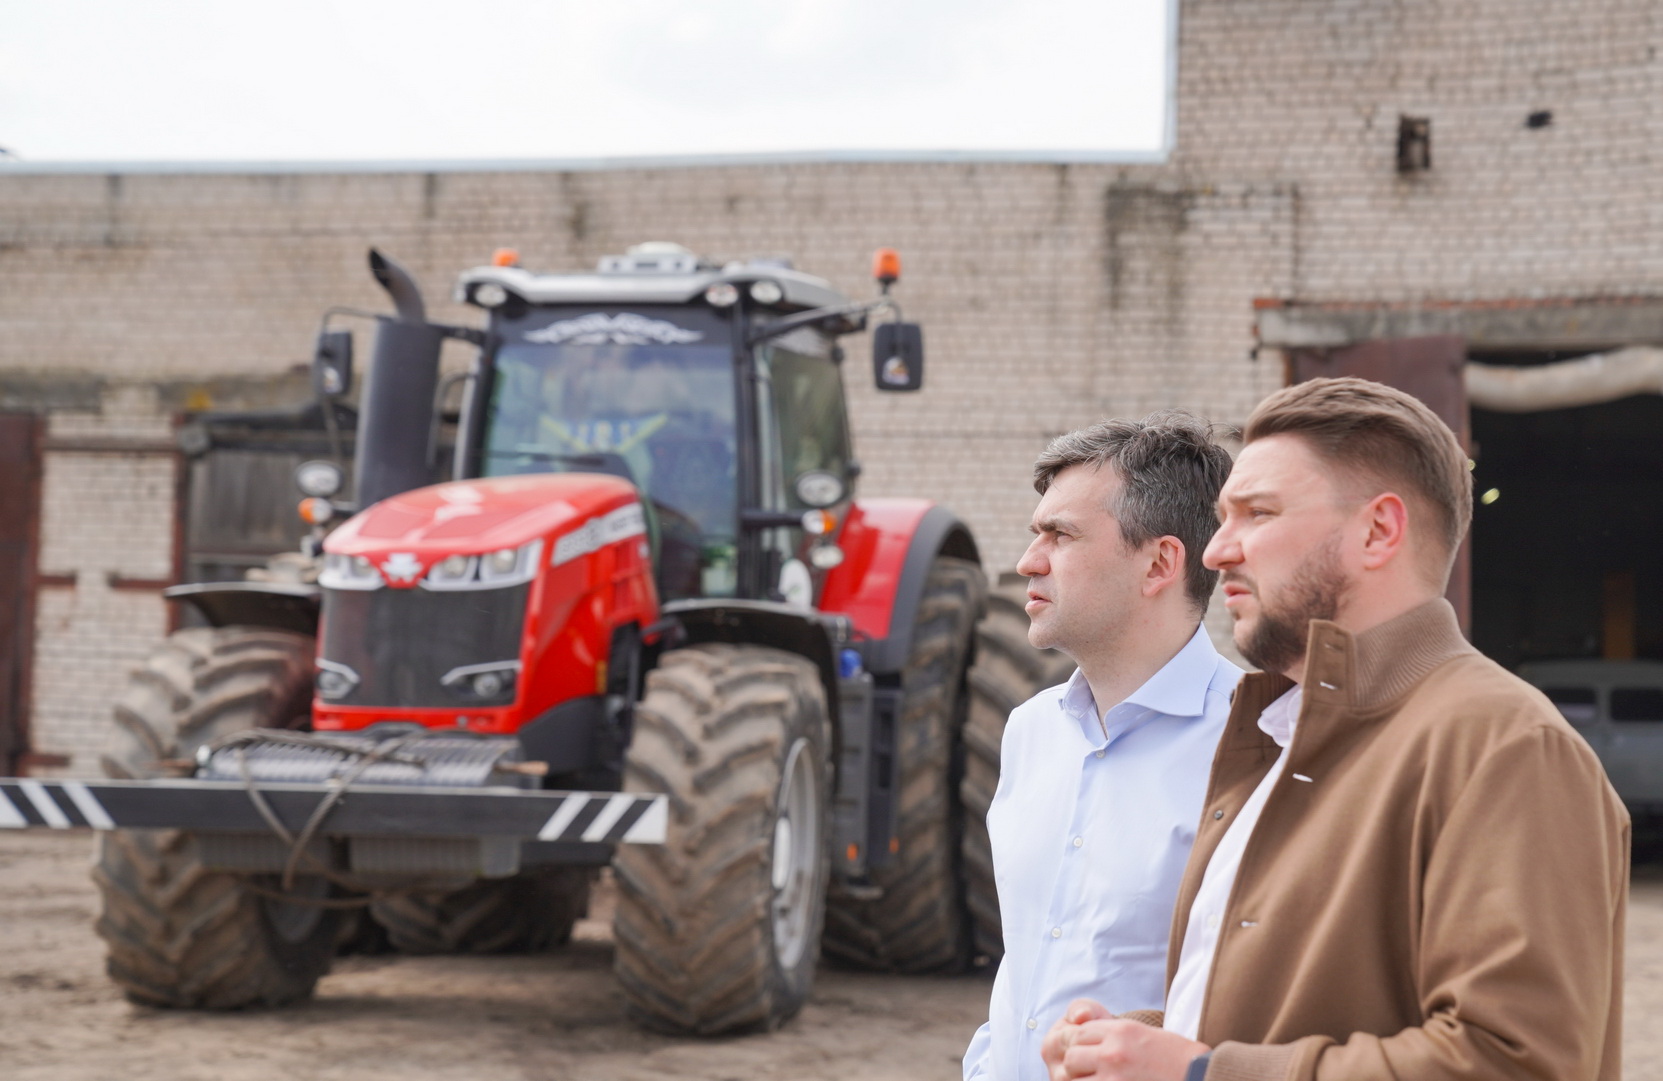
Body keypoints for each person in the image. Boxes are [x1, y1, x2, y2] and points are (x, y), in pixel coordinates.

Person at [1041, 377, 1628, 1081]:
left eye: (1255, 513)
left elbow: (1514, 1060)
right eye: (1221, 518)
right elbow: (1297, 1021)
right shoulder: (1276, 735)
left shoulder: (1502, 746)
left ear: (1378, 530)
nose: (1215, 550)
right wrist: (1135, 1044)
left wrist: (1202, 1073)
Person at [963, 411, 1240, 1081]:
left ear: (1159, 562)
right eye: (1037, 533)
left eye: (1059, 535)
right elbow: (1028, 957)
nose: (1028, 561)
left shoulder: (1256, 745)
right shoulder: (1030, 731)